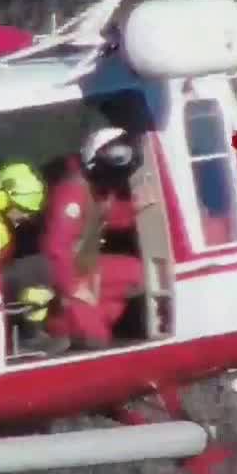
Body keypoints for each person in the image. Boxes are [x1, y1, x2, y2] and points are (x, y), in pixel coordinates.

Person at [39, 127, 147, 348]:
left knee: (138, 274)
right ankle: (61, 328)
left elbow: (106, 216)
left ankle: (90, 319)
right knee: (95, 337)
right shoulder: (72, 192)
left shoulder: (100, 189)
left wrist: (136, 207)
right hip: (69, 273)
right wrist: (72, 287)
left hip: (86, 267)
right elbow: (56, 248)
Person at [0, 162, 59, 341]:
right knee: (39, 267)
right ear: (1, 199)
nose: (27, 216)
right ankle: (31, 336)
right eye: (24, 210)